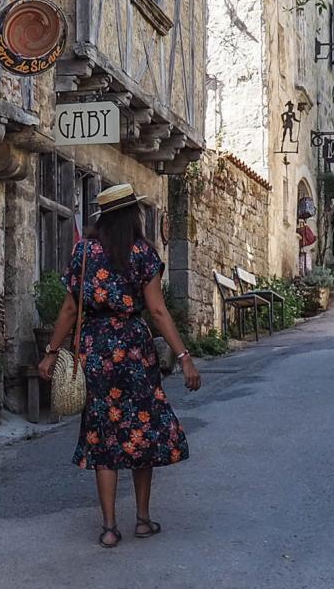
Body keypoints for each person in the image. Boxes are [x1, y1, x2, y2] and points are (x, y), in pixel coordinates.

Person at [38, 183, 202, 548]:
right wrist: (184, 356)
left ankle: (110, 527)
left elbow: (69, 309)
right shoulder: (143, 253)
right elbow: (157, 311)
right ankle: (142, 520)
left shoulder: (84, 252)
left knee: (103, 436)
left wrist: (51, 351)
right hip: (134, 352)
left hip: (95, 352)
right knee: (141, 429)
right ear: (134, 215)